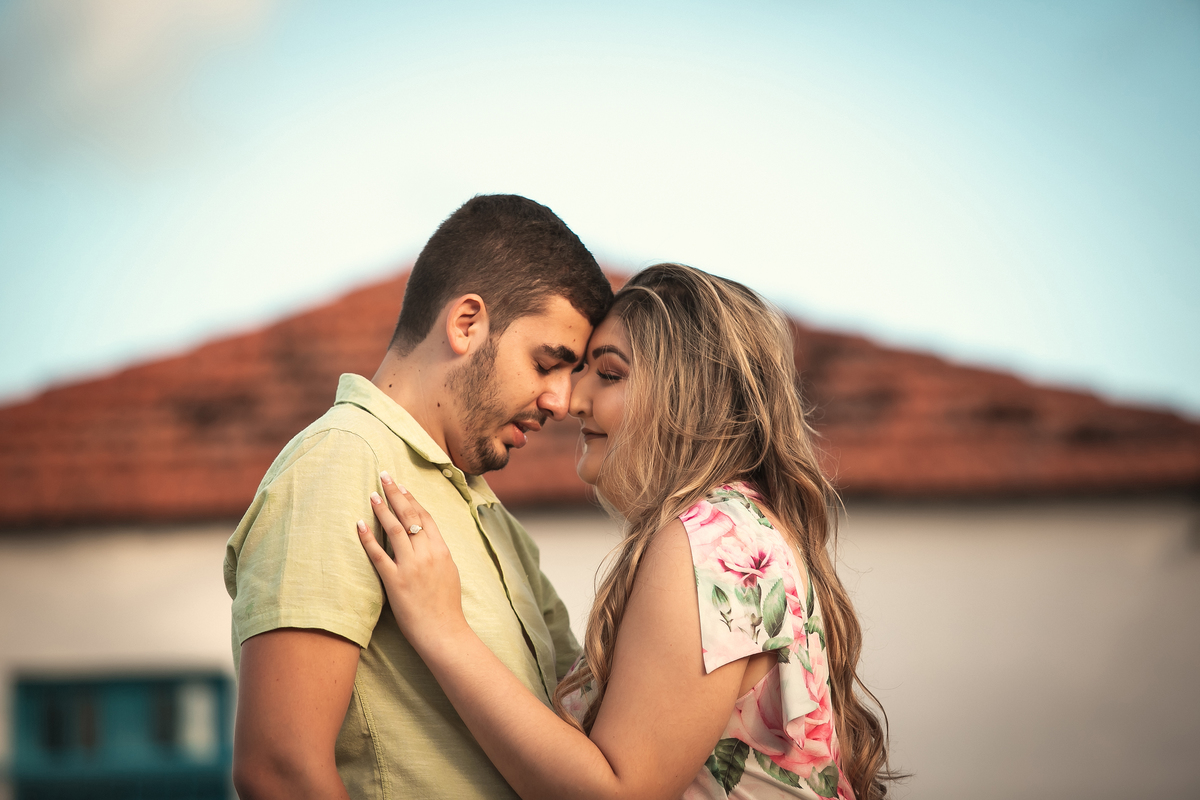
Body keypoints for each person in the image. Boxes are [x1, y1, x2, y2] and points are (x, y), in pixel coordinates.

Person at [358, 263, 896, 799]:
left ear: (688, 394)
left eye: (609, 374)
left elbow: (618, 793)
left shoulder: (713, 542)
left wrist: (442, 630)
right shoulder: (741, 525)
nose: (570, 401)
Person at [225, 194, 613, 800]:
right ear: (467, 324)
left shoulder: (493, 518)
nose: (561, 402)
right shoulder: (341, 463)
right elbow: (279, 770)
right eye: (547, 364)